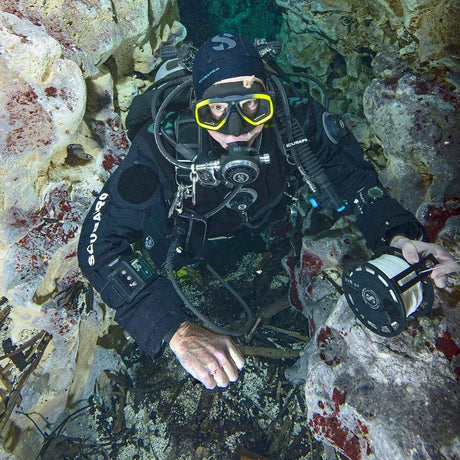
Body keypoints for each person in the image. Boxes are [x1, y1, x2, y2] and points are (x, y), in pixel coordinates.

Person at [78, 33, 458, 390]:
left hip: (267, 224)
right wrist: (176, 330)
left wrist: (397, 235)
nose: (236, 129)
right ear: (196, 109)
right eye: (215, 112)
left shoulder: (296, 122)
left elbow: (353, 180)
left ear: (269, 98)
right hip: (193, 242)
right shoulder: (160, 147)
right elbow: (98, 248)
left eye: (252, 106)